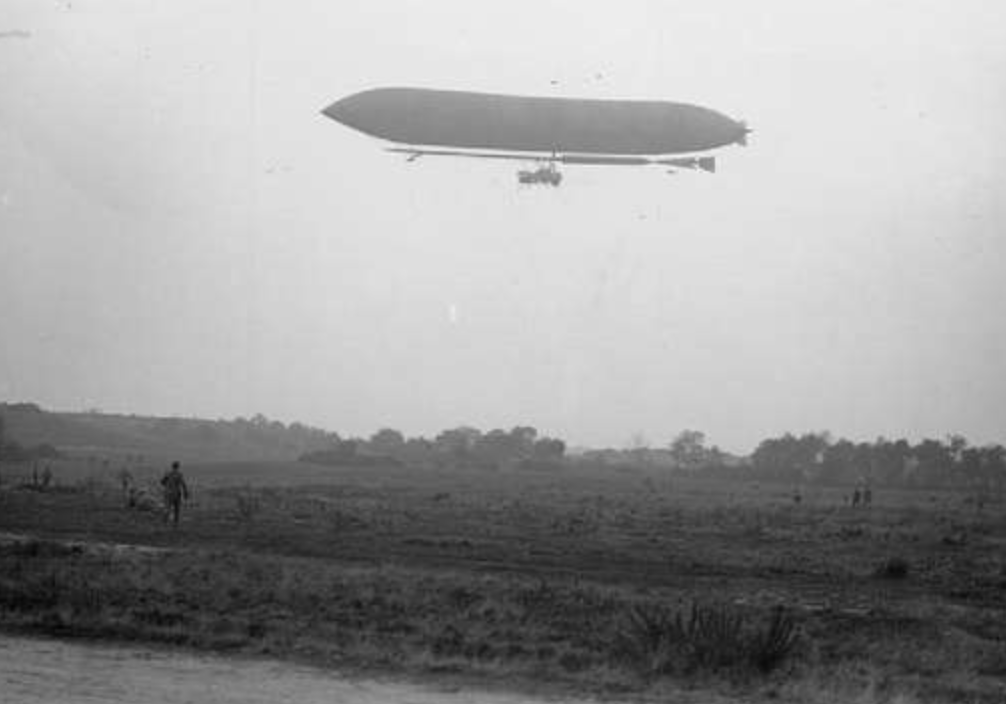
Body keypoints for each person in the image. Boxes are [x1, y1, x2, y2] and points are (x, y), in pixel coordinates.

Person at [160, 461, 190, 526]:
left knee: (167, 507)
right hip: (176, 494)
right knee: (177, 509)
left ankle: (164, 521)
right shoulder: (179, 474)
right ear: (178, 467)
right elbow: (183, 484)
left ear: (172, 466)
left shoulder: (168, 473)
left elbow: (162, 482)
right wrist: (186, 493)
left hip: (167, 493)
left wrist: (167, 486)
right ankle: (175, 522)